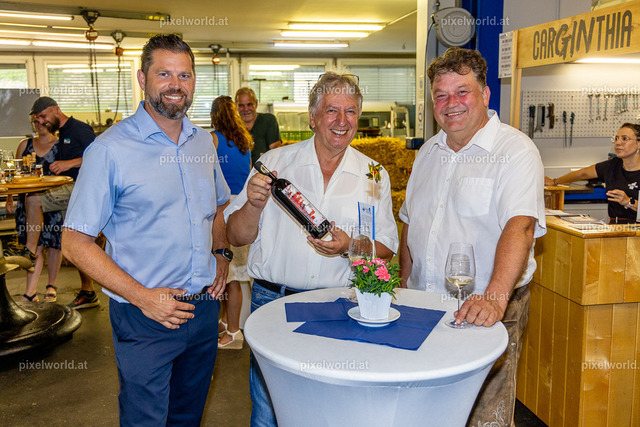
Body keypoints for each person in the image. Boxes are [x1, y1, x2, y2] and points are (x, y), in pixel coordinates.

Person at [61, 34, 231, 426]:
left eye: (185, 75)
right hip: (145, 317)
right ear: (142, 79)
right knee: (146, 421)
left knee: (188, 417)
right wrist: (144, 298)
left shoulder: (203, 142)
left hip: (203, 309)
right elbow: (74, 242)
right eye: (164, 74)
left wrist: (221, 254)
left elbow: (218, 207)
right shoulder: (109, 150)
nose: (176, 84)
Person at [225, 71, 399, 426]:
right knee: (269, 411)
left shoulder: (374, 174)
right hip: (273, 304)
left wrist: (350, 246)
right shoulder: (274, 165)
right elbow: (236, 235)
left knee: (331, 410)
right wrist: (253, 205)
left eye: (350, 111)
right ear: (312, 117)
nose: (341, 121)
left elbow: (387, 249)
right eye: (331, 110)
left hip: (339, 306)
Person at [398, 47, 546, 426]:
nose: (451, 104)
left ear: (485, 94)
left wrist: (494, 299)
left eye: (462, 92)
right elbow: (411, 223)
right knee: (426, 409)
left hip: (485, 309)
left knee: (484, 414)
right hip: (424, 308)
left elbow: (520, 227)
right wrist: (403, 284)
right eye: (441, 95)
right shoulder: (427, 153)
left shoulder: (515, 151)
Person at [28, 96, 99, 309]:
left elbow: (99, 157)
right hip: (70, 191)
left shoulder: (79, 129)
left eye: (43, 116)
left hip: (82, 191)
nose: (41, 122)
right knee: (76, 244)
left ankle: (29, 250)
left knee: (34, 199)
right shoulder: (62, 133)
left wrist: (69, 164)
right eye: (37, 119)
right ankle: (88, 291)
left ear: (55, 109)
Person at [210, 95, 253, 349]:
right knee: (231, 273)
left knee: (231, 276)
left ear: (214, 116)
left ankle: (234, 333)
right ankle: (226, 320)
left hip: (224, 208)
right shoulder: (244, 141)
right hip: (243, 207)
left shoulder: (213, 139)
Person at [5, 115, 63, 302]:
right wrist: (10, 197)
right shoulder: (25, 144)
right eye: (36, 122)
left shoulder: (60, 145)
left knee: (54, 245)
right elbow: (13, 174)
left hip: (54, 200)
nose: (39, 125)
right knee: (34, 246)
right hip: (28, 200)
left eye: (43, 121)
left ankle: (51, 286)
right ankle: (30, 292)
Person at [545, 123, 640, 223]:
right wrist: (555, 181)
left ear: (638, 143)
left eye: (625, 139)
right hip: (615, 226)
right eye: (616, 138)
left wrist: (629, 202)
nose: (618, 143)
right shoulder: (612, 166)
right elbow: (583, 173)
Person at [234, 87, 282, 164]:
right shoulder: (232, 126)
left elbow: (276, 152)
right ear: (236, 106)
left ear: (256, 104)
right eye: (241, 105)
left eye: (249, 104)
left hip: (264, 169)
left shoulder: (268, 121)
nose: (246, 109)